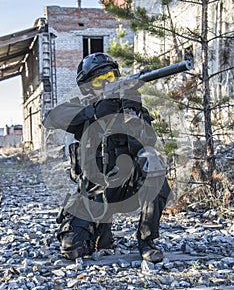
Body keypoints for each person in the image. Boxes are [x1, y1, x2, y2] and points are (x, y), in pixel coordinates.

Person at [43, 52, 170, 263]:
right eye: (99, 80)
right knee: (73, 249)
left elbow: (148, 142)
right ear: (86, 86)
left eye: (110, 78)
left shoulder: (128, 106)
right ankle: (102, 229)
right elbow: (50, 119)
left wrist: (133, 113)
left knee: (152, 161)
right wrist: (94, 111)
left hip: (125, 188)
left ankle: (147, 241)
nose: (106, 84)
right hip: (92, 193)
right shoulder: (82, 108)